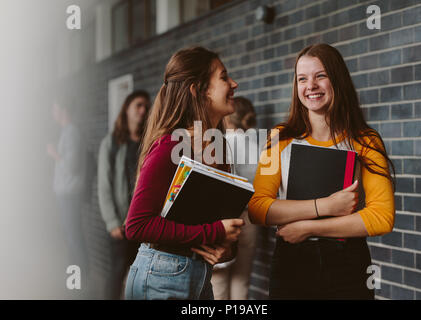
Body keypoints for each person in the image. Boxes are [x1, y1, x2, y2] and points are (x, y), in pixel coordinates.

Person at [248, 43, 395, 300]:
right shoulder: (278, 139)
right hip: (292, 262)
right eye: (302, 79)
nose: (310, 86)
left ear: (337, 80)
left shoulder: (366, 140)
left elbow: (382, 217)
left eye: (321, 76)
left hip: (348, 263)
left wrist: (308, 227)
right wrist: (325, 206)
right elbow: (258, 209)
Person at [124, 46, 245, 300]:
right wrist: (214, 233)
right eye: (224, 77)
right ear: (198, 90)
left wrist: (226, 249)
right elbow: (136, 225)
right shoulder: (170, 146)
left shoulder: (218, 147)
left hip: (199, 276)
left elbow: (210, 224)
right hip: (159, 277)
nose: (234, 83)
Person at [97, 90, 150, 299]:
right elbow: (104, 185)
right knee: (117, 273)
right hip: (120, 223)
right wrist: (111, 222)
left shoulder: (149, 142)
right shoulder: (111, 143)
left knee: (141, 277)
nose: (143, 110)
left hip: (144, 222)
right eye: (138, 105)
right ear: (126, 108)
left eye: (146, 106)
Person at [211, 96, 259, 300]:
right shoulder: (257, 145)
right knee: (242, 280)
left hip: (227, 220)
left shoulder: (223, 144)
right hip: (251, 219)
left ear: (228, 118)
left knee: (218, 283)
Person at [47, 98, 89, 296]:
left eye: (54, 109)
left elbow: (71, 166)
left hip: (70, 195)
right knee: (72, 239)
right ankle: (75, 283)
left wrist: (54, 153)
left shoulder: (72, 132)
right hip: (66, 195)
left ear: (63, 109)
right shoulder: (68, 131)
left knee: (74, 240)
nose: (53, 113)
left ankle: (78, 285)